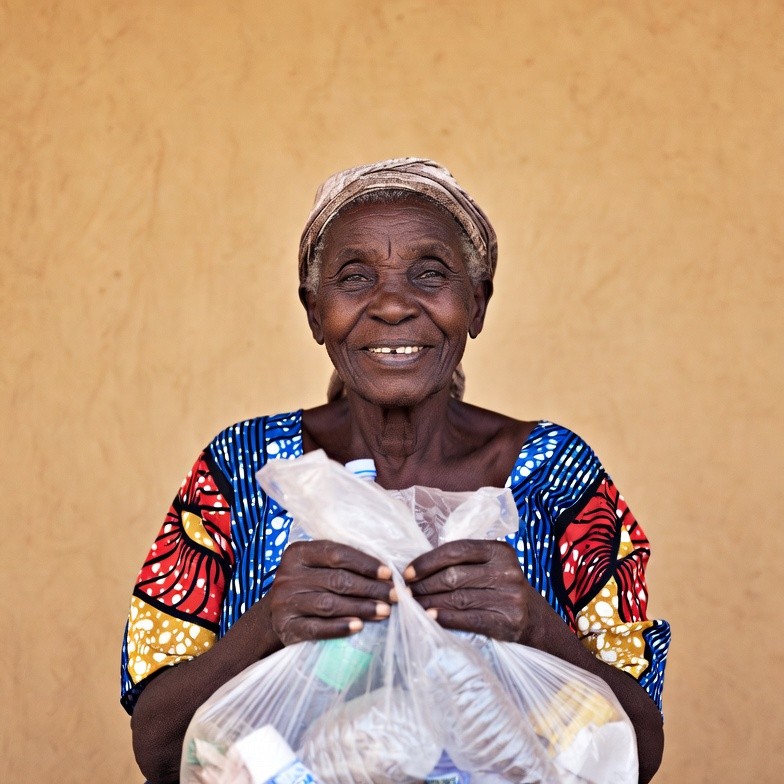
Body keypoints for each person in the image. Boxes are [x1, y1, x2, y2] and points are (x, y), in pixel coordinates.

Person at [121, 158, 670, 783]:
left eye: (429, 275)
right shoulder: (243, 468)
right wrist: (268, 624)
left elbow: (638, 751)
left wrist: (539, 627)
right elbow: (158, 749)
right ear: (313, 310)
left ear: (477, 302)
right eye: (354, 279)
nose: (390, 305)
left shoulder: (558, 474)